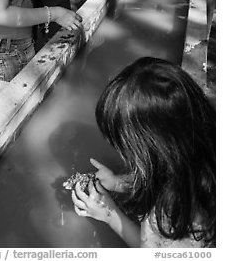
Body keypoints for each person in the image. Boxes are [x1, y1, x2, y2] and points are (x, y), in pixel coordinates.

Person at [71, 57, 216, 248]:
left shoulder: (168, 214)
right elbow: (163, 177)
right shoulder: (203, 146)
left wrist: (109, 213)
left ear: (150, 148)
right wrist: (118, 182)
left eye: (124, 147)